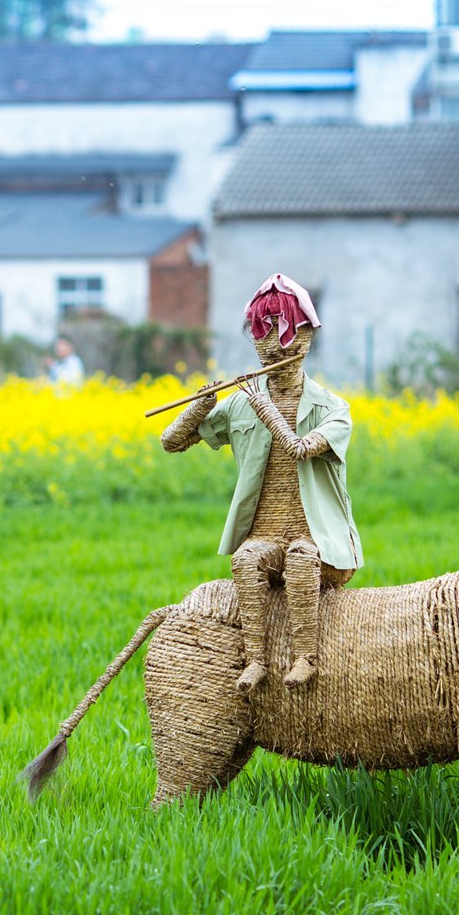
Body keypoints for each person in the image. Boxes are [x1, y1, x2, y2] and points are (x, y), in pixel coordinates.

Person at [159, 274, 361, 692]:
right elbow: (171, 442)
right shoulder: (241, 404)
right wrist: (200, 407)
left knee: (302, 558)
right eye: (262, 331)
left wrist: (265, 406)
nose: (273, 344)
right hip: (266, 534)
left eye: (283, 329)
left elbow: (301, 449)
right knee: (247, 560)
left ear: (305, 335)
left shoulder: (333, 409)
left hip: (317, 539)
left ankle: (306, 656)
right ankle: (255, 659)